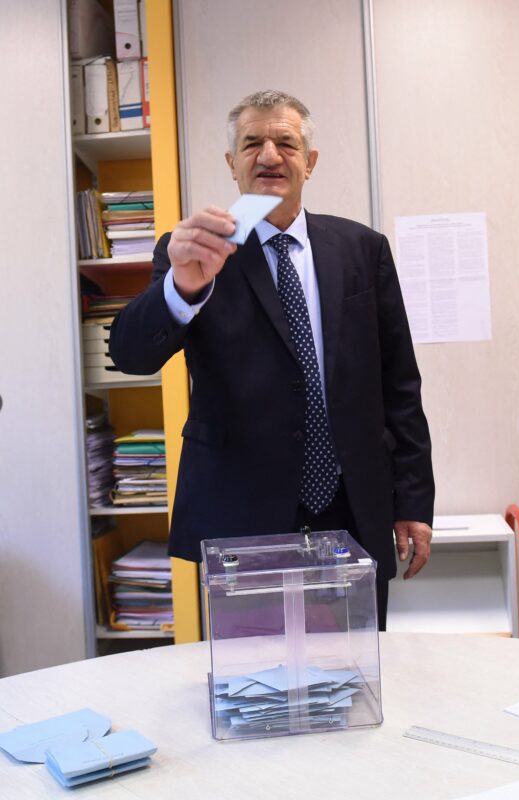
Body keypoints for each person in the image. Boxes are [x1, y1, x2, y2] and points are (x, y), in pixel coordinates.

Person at [109, 89, 435, 630]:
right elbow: (130, 354)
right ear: (231, 162)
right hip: (242, 515)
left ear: (310, 161)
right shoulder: (196, 251)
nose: (268, 155)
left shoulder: (363, 249)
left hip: (352, 506)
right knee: (253, 673)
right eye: (251, 143)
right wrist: (182, 289)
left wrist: (413, 501)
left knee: (354, 668)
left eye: (286, 142)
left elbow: (400, 385)